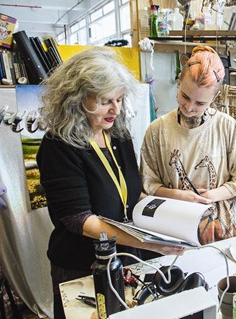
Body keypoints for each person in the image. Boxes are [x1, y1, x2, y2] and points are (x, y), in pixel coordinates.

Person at [36, 48, 183, 319]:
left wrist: (174, 217)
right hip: (81, 264)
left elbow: (132, 193)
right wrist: (151, 244)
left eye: (119, 99)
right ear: (77, 99)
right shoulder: (59, 145)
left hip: (127, 256)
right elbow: (80, 220)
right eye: (105, 101)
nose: (115, 109)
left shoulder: (118, 134)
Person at [140, 46, 236, 244]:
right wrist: (179, 195)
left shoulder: (226, 126)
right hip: (172, 226)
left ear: (214, 98)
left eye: (200, 103)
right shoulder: (157, 130)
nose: (189, 107)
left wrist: (211, 196)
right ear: (179, 83)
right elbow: (148, 184)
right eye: (185, 96)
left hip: (222, 228)